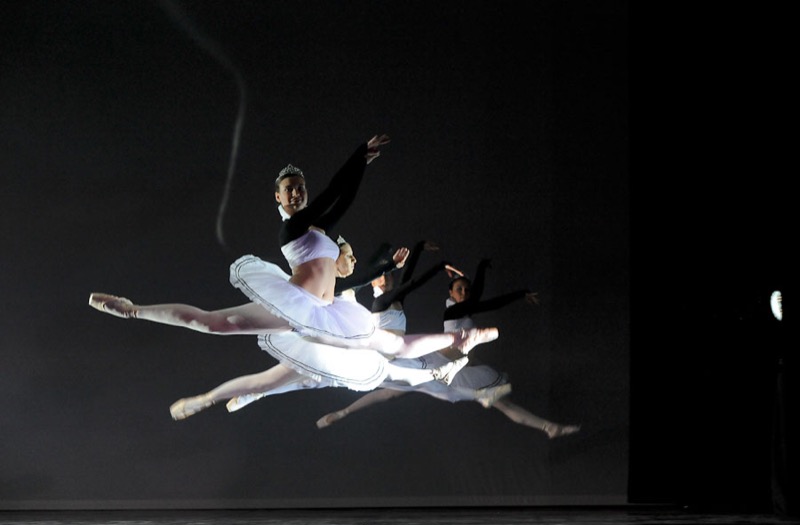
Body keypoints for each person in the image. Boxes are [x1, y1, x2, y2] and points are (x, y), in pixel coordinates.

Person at [89, 134, 497, 359]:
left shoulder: (319, 231)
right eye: (290, 189)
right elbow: (333, 191)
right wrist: (358, 156)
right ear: (279, 198)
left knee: (392, 345)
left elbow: (344, 202)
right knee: (212, 323)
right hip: (296, 305)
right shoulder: (293, 229)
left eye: (301, 187)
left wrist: (362, 167)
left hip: (327, 312)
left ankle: (460, 340)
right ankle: (132, 309)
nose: (298, 193)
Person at [171, 237, 474, 420]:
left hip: (362, 355)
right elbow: (389, 277)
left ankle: (243, 395)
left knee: (310, 380)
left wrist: (402, 254)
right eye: (349, 257)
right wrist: (394, 264)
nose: (384, 279)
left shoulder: (373, 294)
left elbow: (387, 275)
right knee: (304, 378)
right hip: (356, 352)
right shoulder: (369, 297)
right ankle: (241, 395)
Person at [315, 258, 581, 439]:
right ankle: (340, 398)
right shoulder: (452, 311)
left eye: (466, 289)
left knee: (395, 391)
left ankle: (548, 427)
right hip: (442, 364)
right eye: (459, 289)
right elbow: (482, 301)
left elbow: (409, 281)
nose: (464, 292)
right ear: (451, 295)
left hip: (455, 367)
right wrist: (489, 274)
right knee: (392, 387)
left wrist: (420, 250)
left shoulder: (440, 305)